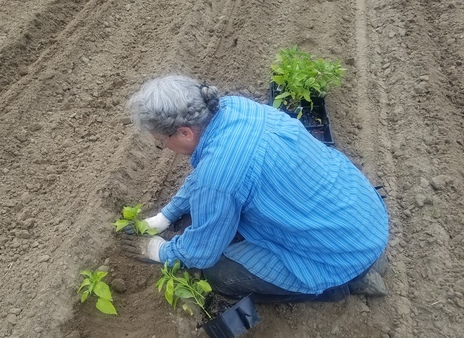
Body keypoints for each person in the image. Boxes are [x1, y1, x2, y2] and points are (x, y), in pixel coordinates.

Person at [122, 74, 389, 303]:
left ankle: (335, 289)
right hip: (367, 217)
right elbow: (207, 175)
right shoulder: (235, 108)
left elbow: (201, 252)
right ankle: (364, 265)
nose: (164, 147)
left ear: (185, 133)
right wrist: (166, 216)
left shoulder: (218, 176)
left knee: (218, 273)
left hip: (337, 255)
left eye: (161, 141)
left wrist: (161, 251)